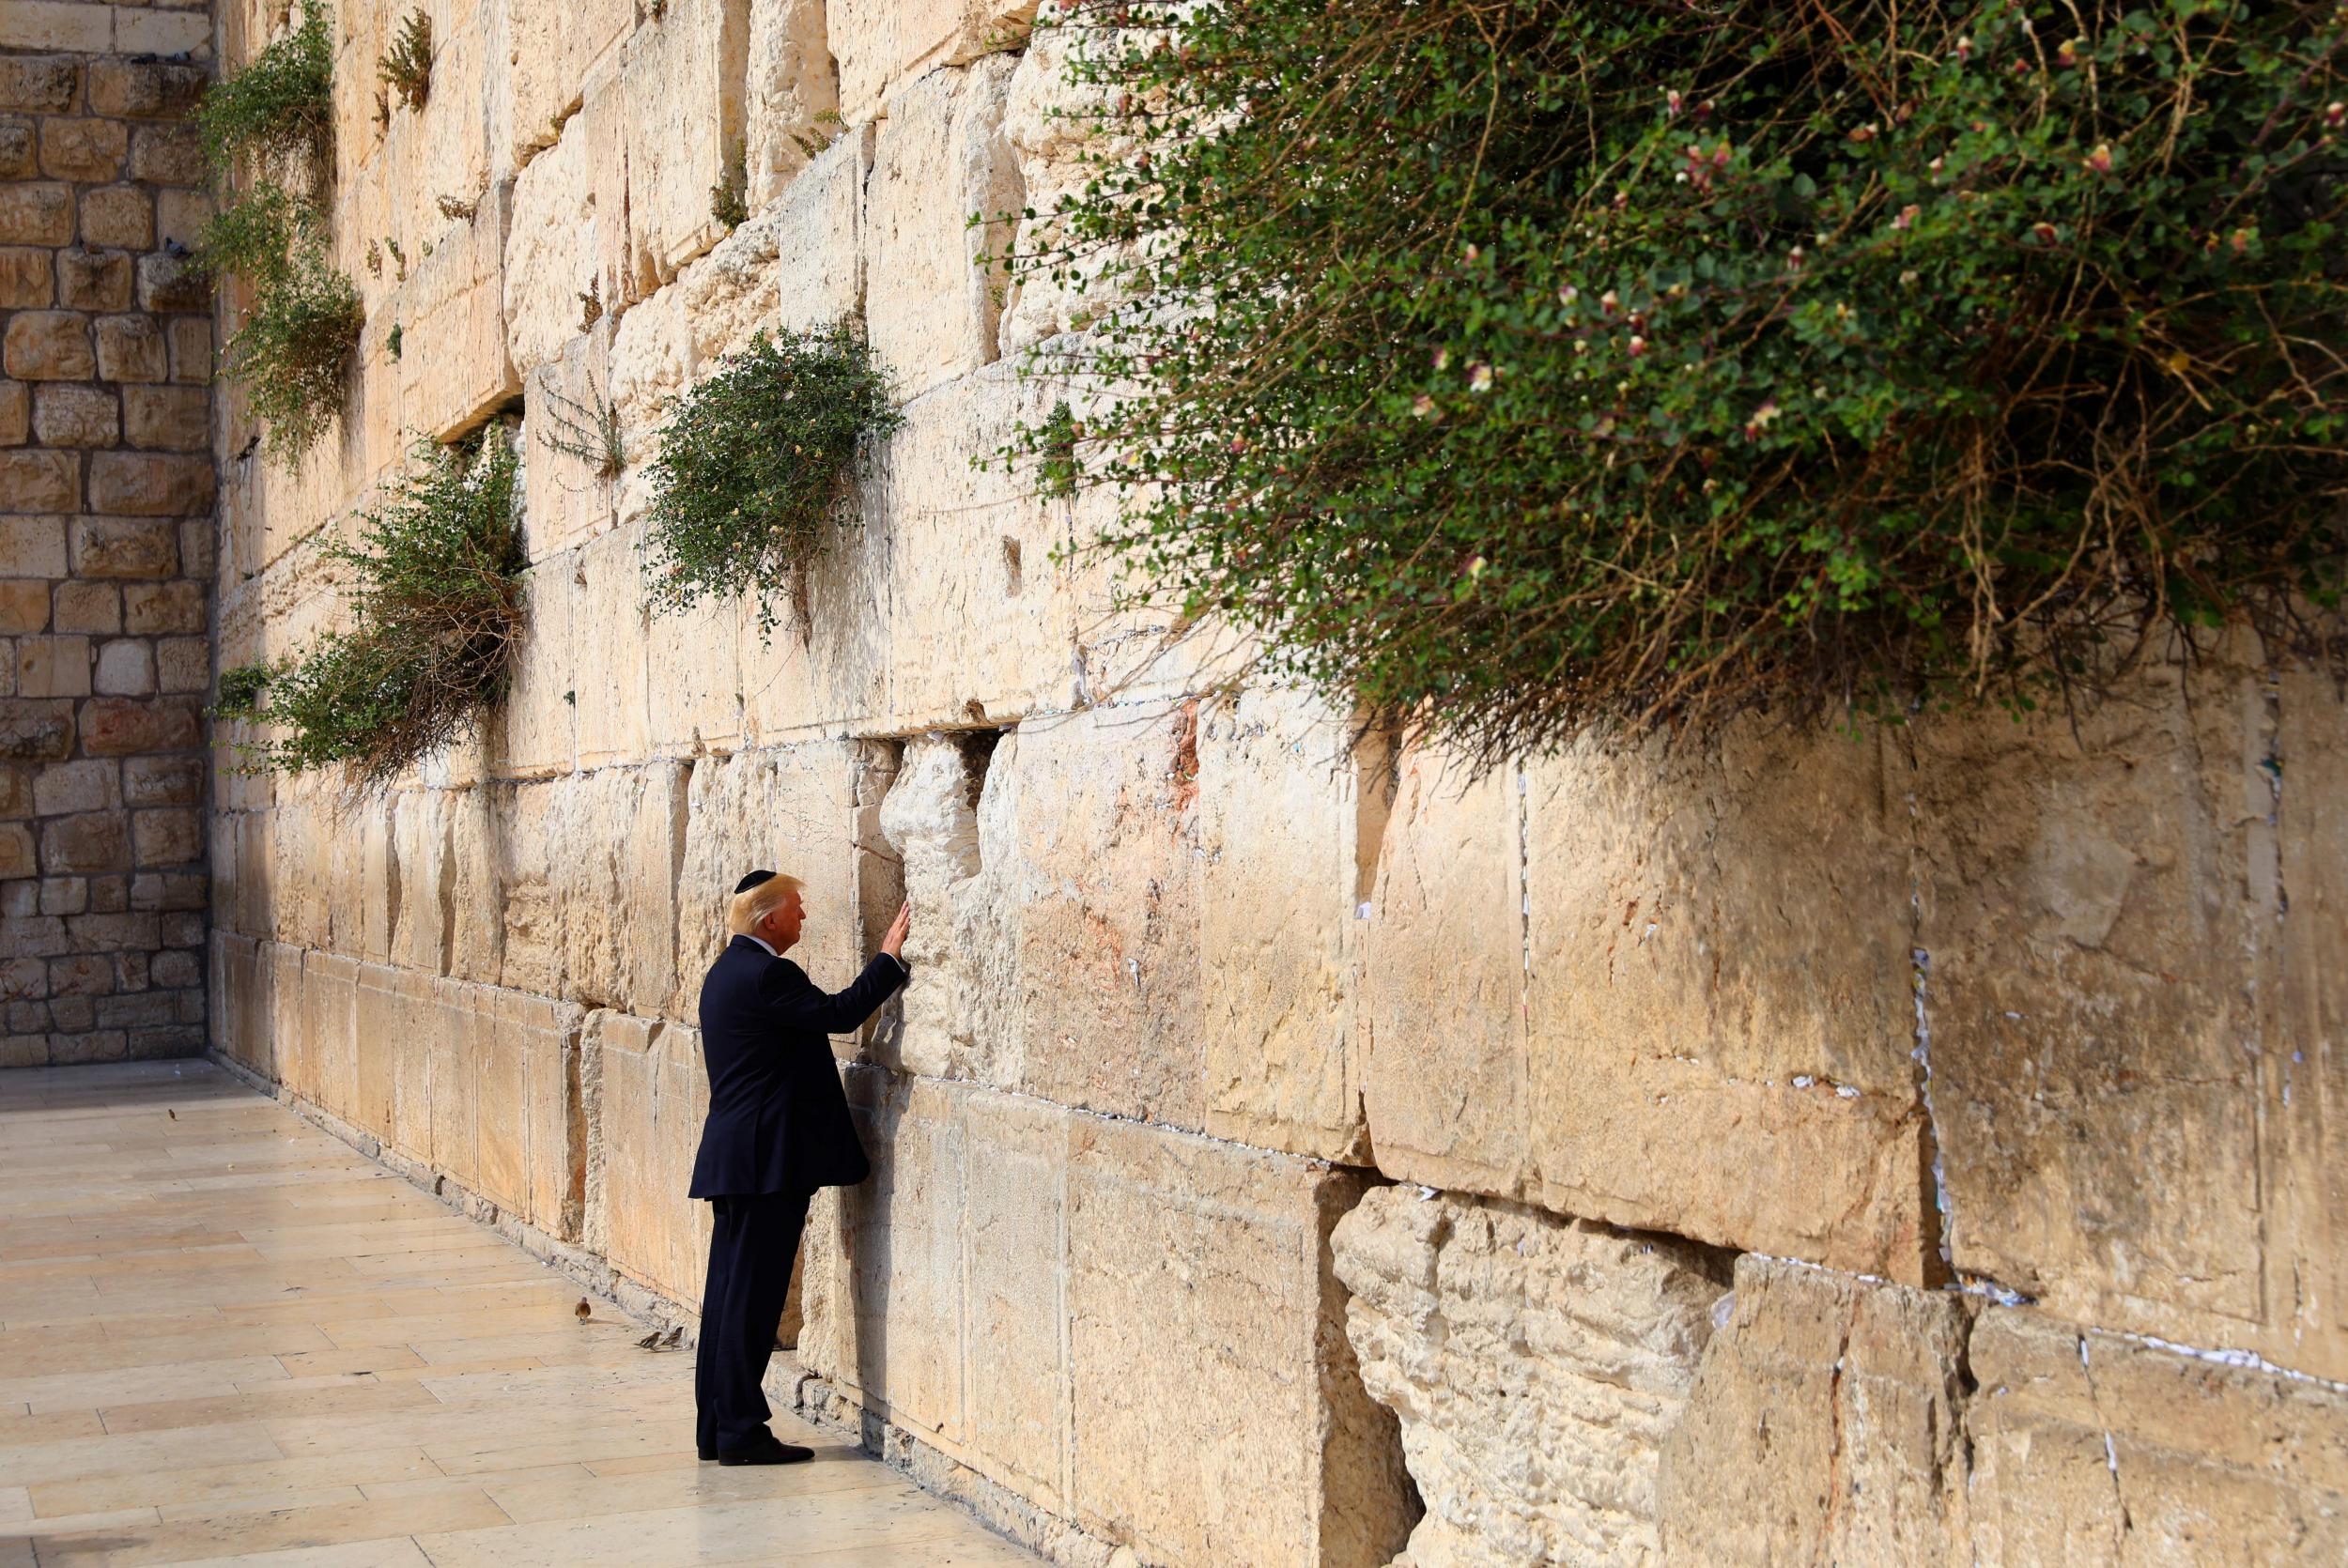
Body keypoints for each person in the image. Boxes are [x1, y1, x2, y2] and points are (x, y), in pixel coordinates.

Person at [690, 869, 911, 1466]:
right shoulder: (768, 974)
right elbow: (839, 1015)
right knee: (753, 1299)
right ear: (769, 919)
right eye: (796, 907)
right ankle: (739, 1432)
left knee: (729, 1295)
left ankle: (717, 1425)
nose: (804, 917)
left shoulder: (723, 973)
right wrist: (888, 960)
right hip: (767, 1164)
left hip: (734, 1158)